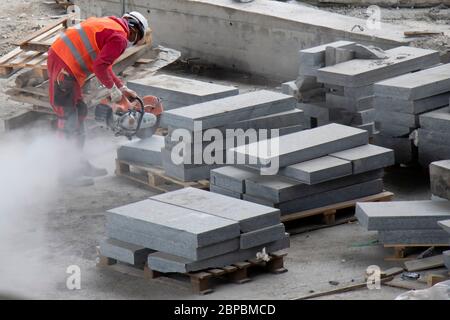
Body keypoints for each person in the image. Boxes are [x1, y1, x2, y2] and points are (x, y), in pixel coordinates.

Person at [47, 11, 149, 186]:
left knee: (79, 112)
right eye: (136, 38)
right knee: (68, 118)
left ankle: (79, 164)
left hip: (61, 58)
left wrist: (122, 88)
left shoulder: (110, 24)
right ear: (134, 31)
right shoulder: (120, 37)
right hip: (64, 64)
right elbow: (100, 67)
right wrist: (113, 91)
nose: (132, 43)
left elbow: (102, 64)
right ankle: (65, 174)